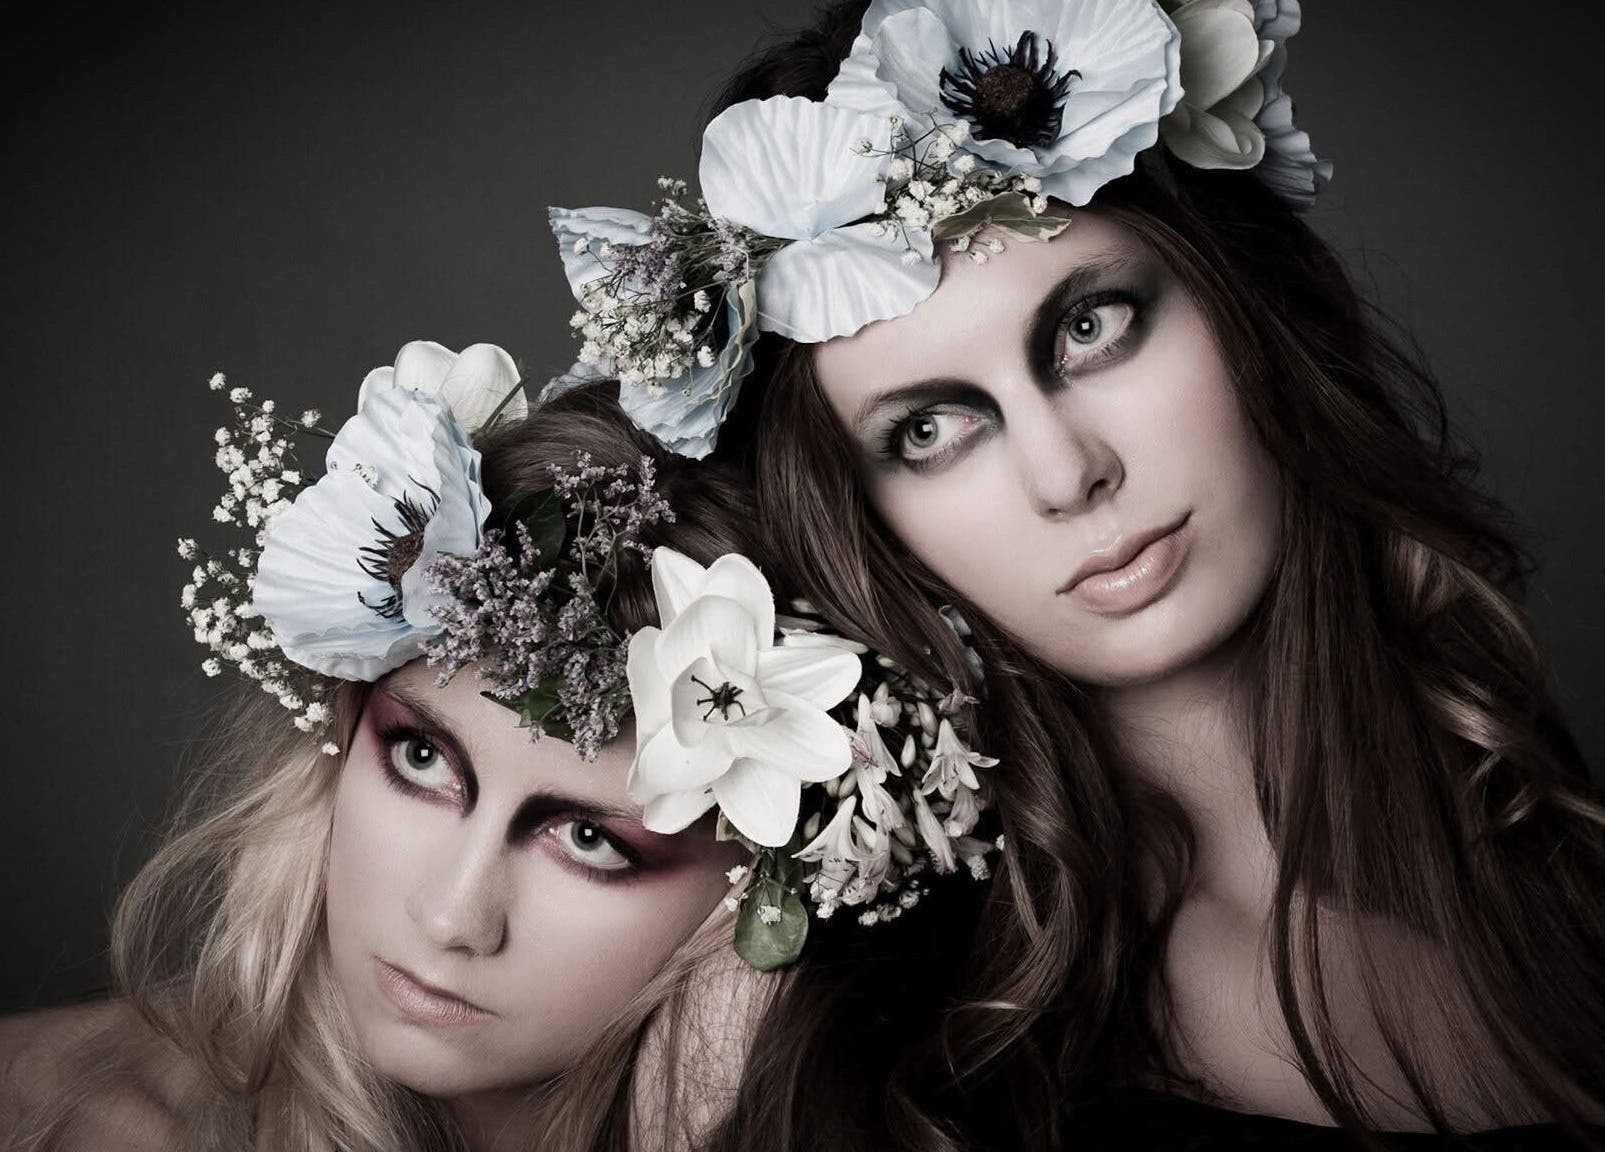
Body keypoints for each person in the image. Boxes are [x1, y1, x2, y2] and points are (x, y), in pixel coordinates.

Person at [545, 0, 1605, 1146]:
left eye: (1091, 329)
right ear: (869, 529)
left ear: (1243, 307)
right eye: (930, 433)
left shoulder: (1551, 862)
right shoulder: (884, 1049)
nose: (1067, 474)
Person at [1, 344, 1004, 1151]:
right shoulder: (52, 1119)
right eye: (423, 762)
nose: (449, 916)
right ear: (344, 736)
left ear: (756, 897)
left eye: (590, 840)